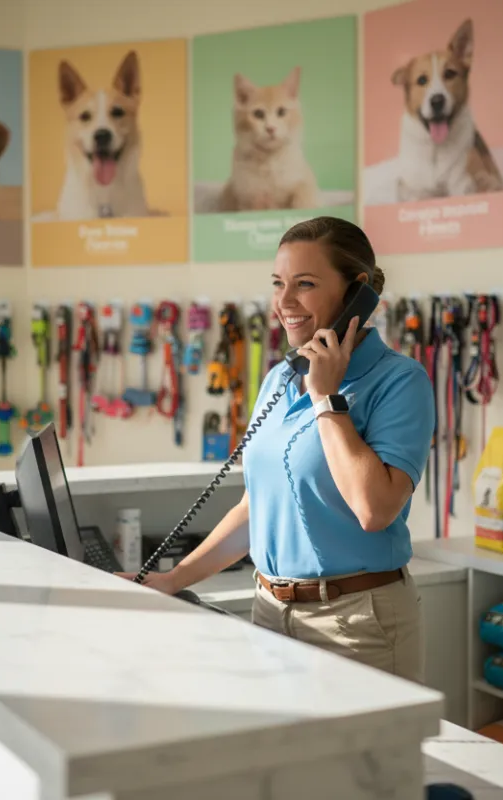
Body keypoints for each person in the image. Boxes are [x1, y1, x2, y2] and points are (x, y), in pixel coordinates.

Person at [125, 216, 435, 682]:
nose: (285, 302)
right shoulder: (279, 378)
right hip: (270, 612)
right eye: (278, 284)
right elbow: (257, 508)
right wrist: (172, 578)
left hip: (356, 623)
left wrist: (326, 398)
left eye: (305, 284)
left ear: (358, 292)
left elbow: (375, 510)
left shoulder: (399, 381)